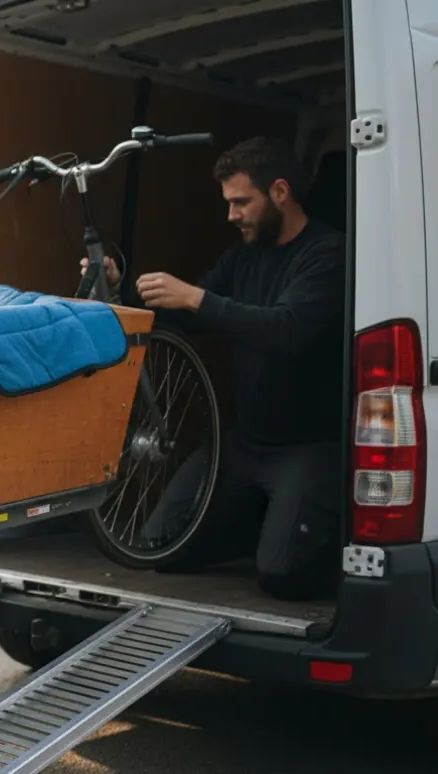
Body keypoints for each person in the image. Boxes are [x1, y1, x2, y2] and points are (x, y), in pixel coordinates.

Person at [82, 136, 346, 601]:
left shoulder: (327, 254)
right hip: (245, 445)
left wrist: (196, 297)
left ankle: (282, 529)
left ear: (280, 192)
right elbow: (187, 315)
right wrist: (118, 289)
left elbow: (286, 331)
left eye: (241, 202)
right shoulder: (241, 258)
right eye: (228, 203)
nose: (231, 215)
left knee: (283, 576)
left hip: (307, 448)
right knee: (158, 547)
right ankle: (262, 522)